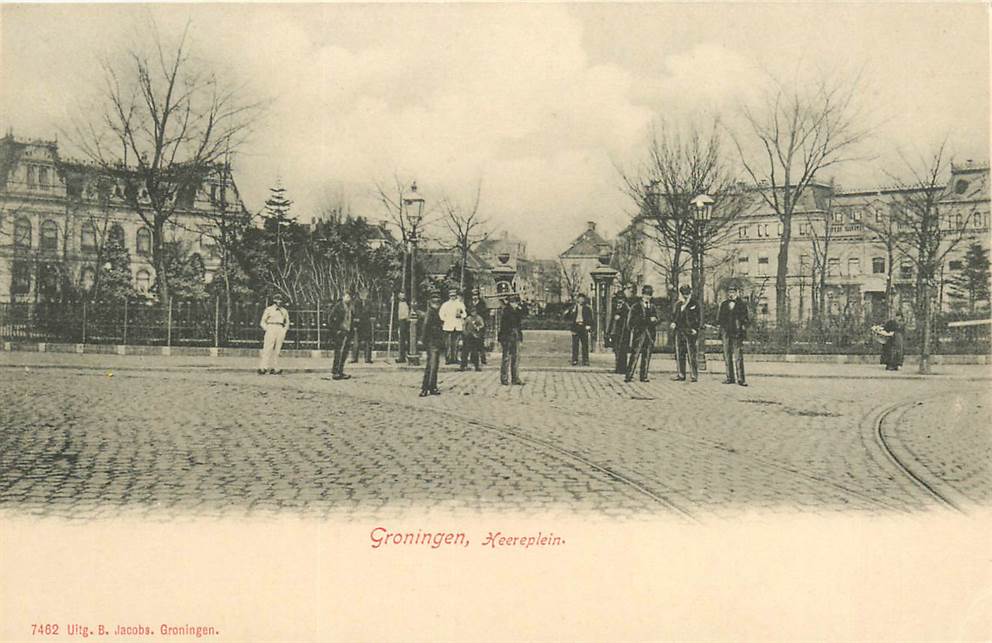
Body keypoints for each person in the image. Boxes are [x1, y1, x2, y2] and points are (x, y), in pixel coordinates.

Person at [625, 285, 660, 383]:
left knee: (647, 355)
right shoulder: (636, 306)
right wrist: (646, 321)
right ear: (642, 295)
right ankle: (629, 375)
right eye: (646, 295)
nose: (648, 297)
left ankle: (643, 376)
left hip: (650, 334)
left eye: (649, 295)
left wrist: (655, 320)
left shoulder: (653, 307)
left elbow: (658, 318)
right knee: (635, 355)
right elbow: (631, 321)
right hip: (639, 334)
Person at [717, 284, 750, 386]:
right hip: (726, 333)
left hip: (737, 333)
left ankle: (741, 379)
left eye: (733, 292)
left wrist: (741, 327)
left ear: (737, 292)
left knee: (738, 356)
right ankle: (729, 377)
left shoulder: (742, 305)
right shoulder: (724, 304)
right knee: (727, 356)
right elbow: (720, 319)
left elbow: (746, 319)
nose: (731, 294)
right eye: (729, 292)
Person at [670, 284, 701, 382]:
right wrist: (674, 323)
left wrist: (695, 328)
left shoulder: (695, 304)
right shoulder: (678, 304)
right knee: (680, 353)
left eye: (687, 293)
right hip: (680, 331)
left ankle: (694, 375)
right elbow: (675, 317)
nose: (685, 296)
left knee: (691, 354)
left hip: (690, 331)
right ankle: (681, 374)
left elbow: (698, 318)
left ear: (690, 292)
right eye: (684, 294)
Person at [419, 291, 444, 396]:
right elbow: (425, 326)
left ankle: (431, 386)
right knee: (432, 364)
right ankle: (427, 387)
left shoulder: (436, 311)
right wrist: (422, 339)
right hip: (432, 340)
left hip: (435, 340)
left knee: (433, 364)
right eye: (435, 301)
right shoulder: (431, 312)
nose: (436, 303)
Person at [258, 293, 290, 375]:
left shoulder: (284, 311)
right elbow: (262, 321)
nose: (279, 301)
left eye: (280, 300)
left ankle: (275, 367)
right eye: (277, 299)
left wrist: (284, 330)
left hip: (280, 328)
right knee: (267, 348)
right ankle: (263, 367)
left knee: (277, 349)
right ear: (274, 300)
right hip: (271, 327)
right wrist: (267, 329)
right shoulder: (269, 309)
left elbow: (287, 322)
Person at [498, 293, 525, 385]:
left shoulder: (517, 311)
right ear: (512, 302)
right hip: (507, 336)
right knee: (506, 358)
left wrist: (520, 337)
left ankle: (515, 378)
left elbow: (519, 325)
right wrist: (502, 339)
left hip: (515, 335)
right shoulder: (506, 311)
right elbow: (503, 326)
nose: (517, 304)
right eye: (515, 302)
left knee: (516, 357)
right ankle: (504, 378)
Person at [608, 283, 635, 374]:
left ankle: (621, 368)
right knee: (618, 350)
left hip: (623, 330)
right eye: (630, 290)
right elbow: (614, 318)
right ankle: (619, 368)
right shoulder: (618, 304)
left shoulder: (626, 305)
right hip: (618, 331)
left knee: (622, 350)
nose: (631, 293)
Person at [328, 292, 356, 380]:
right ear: (343, 297)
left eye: (350, 297)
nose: (349, 299)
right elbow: (330, 318)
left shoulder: (350, 307)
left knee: (345, 353)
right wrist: (336, 330)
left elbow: (352, 319)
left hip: (348, 332)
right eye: (347, 297)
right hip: (340, 332)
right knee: (338, 352)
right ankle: (335, 372)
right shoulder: (338, 306)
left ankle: (340, 371)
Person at [564, 293, 594, 366]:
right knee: (575, 345)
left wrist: (589, 325)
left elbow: (590, 318)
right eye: (579, 298)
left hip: (583, 326)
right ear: (577, 299)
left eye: (582, 298)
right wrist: (568, 313)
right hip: (576, 327)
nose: (581, 300)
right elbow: (566, 317)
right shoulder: (573, 307)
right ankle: (574, 360)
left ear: (584, 300)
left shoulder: (587, 308)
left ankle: (585, 360)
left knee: (585, 345)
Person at [439, 291, 467, 364]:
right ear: (449, 296)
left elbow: (464, 314)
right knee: (448, 344)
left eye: (454, 296)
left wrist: (460, 315)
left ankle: (455, 358)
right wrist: (446, 320)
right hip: (448, 326)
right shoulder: (445, 305)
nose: (453, 297)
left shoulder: (460, 304)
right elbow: (441, 314)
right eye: (451, 296)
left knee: (456, 344)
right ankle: (448, 359)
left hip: (457, 326)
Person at [350, 290, 375, 364]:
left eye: (365, 293)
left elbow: (372, 312)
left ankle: (367, 359)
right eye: (362, 293)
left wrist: (372, 317)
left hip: (367, 323)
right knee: (356, 341)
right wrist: (354, 323)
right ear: (359, 294)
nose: (363, 295)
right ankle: (354, 358)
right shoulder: (356, 302)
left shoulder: (369, 303)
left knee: (367, 342)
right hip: (358, 323)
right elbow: (353, 313)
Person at [460, 307, 486, 372]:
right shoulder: (468, 318)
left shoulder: (479, 318)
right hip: (468, 337)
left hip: (475, 337)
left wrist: (478, 328)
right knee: (465, 352)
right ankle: (463, 365)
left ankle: (476, 366)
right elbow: (464, 326)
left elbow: (482, 325)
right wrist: (465, 333)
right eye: (472, 312)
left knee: (475, 352)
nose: (473, 313)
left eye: (474, 311)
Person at [471, 290, 489, 365]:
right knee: (472, 343)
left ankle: (483, 359)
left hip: (480, 325)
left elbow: (485, 314)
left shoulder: (482, 304)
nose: (474, 297)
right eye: (473, 295)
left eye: (476, 295)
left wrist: (481, 323)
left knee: (481, 343)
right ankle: (473, 359)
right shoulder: (470, 303)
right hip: (471, 325)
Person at [395, 292, 410, 363]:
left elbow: (405, 315)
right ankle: (402, 356)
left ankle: (402, 357)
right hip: (401, 321)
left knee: (402, 340)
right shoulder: (399, 304)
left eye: (403, 296)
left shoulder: (404, 304)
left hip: (403, 322)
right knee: (401, 340)